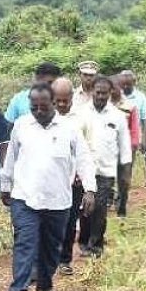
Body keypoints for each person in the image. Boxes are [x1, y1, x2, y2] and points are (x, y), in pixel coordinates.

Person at [0, 82, 96, 291]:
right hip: (24, 198)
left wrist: (90, 189)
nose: (39, 111)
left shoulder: (69, 128)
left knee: (51, 246)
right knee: (25, 243)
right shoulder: (21, 125)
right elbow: (11, 158)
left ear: (53, 104)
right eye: (34, 107)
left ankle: (45, 286)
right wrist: (6, 185)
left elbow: (84, 159)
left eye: (43, 106)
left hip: (58, 199)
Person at [81, 76, 131, 256]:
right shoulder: (81, 113)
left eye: (104, 93)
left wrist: (125, 171)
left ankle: (96, 245)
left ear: (110, 93)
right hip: (84, 170)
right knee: (85, 209)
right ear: (92, 91)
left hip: (105, 171)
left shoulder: (117, 116)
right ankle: (84, 241)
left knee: (100, 209)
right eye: (98, 92)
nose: (101, 96)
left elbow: (124, 145)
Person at [52, 77, 88, 276]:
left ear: (72, 98)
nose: (62, 105)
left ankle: (65, 259)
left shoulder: (81, 118)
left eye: (65, 100)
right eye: (58, 100)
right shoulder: (42, 117)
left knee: (70, 219)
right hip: (50, 179)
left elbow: (87, 150)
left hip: (74, 180)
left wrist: (85, 178)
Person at [109, 77, 139, 217]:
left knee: (124, 180)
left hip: (125, 149)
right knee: (107, 178)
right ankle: (108, 202)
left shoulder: (130, 106)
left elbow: (134, 129)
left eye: (116, 87)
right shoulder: (104, 106)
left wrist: (133, 145)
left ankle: (121, 207)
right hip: (108, 149)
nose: (113, 90)